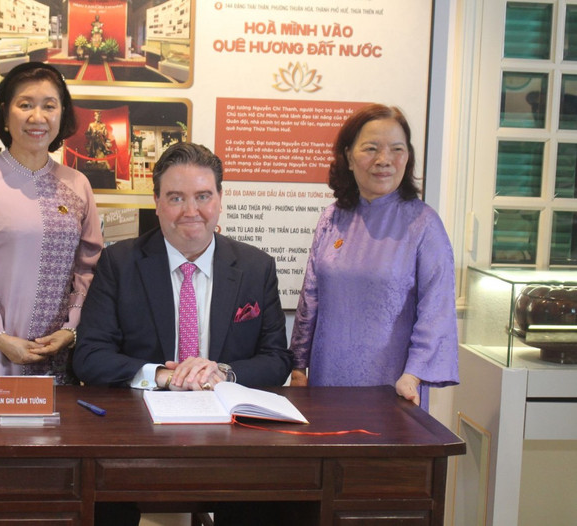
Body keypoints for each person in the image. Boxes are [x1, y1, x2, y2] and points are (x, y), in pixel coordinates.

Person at [73, 141, 292, 526]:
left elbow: (276, 359)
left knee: (266, 501)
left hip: (231, 434)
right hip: (138, 432)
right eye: (176, 198)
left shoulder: (256, 267)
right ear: (156, 202)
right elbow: (89, 355)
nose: (191, 211)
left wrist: (223, 373)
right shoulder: (120, 263)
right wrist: (164, 375)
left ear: (220, 199)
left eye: (203, 196)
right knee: (99, 503)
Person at [0, 62, 103, 526]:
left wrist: (71, 330)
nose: (37, 115)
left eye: (49, 105)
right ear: (5, 113)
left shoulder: (78, 185)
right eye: (25, 103)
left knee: (52, 484)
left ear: (62, 115)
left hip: (56, 362)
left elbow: (91, 268)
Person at [289, 103, 459, 410]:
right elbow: (310, 297)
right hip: (327, 381)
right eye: (371, 148)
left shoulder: (424, 225)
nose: (384, 160)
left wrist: (414, 375)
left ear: (408, 157)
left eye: (397, 149)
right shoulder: (332, 218)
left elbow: (437, 311)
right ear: (348, 157)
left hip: (393, 386)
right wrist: (298, 364)